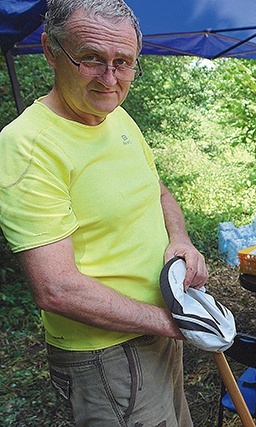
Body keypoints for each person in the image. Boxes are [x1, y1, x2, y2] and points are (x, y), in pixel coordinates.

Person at [0, 1, 207, 425]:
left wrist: (180, 240)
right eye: (92, 59)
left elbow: (156, 189)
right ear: (50, 51)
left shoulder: (113, 113)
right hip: (107, 356)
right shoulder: (26, 144)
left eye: (123, 62)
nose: (110, 78)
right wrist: (173, 321)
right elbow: (55, 288)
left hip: (161, 329)